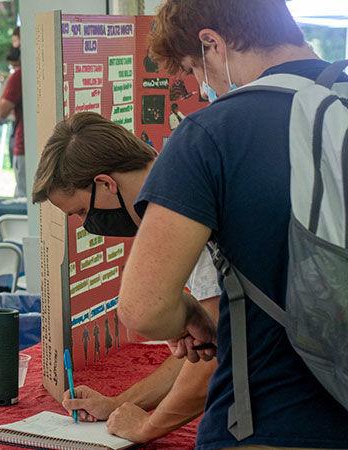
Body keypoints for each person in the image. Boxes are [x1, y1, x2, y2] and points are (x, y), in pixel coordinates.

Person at [117, 1, 348, 449]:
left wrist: (192, 318)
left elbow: (143, 308)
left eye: (193, 68)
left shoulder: (210, 134)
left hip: (270, 419)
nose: (202, 85)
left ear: (211, 43)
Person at [31, 112, 220, 444]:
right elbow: (208, 347)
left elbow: (215, 361)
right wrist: (120, 404)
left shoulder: (182, 207)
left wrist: (147, 427)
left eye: (80, 212)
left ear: (105, 183)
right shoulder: (180, 180)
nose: (83, 224)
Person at [0, 47, 25, 197]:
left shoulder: (18, 76)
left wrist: (8, 83)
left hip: (24, 145)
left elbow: (1, 112)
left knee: (23, 198)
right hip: (41, 145)